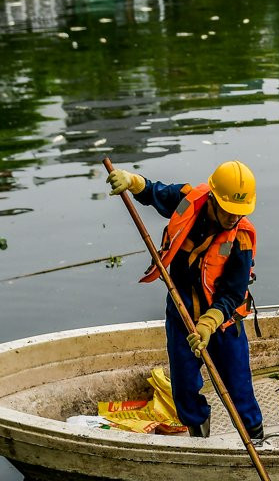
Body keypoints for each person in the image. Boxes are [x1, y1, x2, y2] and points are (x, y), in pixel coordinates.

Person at [107, 161, 264, 439]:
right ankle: (198, 437)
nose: (233, 218)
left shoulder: (240, 239)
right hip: (182, 315)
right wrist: (131, 181)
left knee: (237, 386)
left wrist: (208, 324)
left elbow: (233, 293)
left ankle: (256, 437)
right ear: (213, 199)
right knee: (183, 385)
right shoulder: (188, 201)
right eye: (228, 210)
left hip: (223, 323)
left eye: (239, 212)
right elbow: (156, 193)